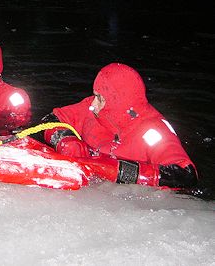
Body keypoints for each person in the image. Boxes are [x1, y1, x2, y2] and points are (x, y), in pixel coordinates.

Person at [44, 63, 197, 188]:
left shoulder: (152, 132)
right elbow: (50, 120)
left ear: (117, 101)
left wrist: (118, 170)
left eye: (99, 98)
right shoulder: (90, 111)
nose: (93, 104)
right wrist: (64, 140)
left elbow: (186, 175)